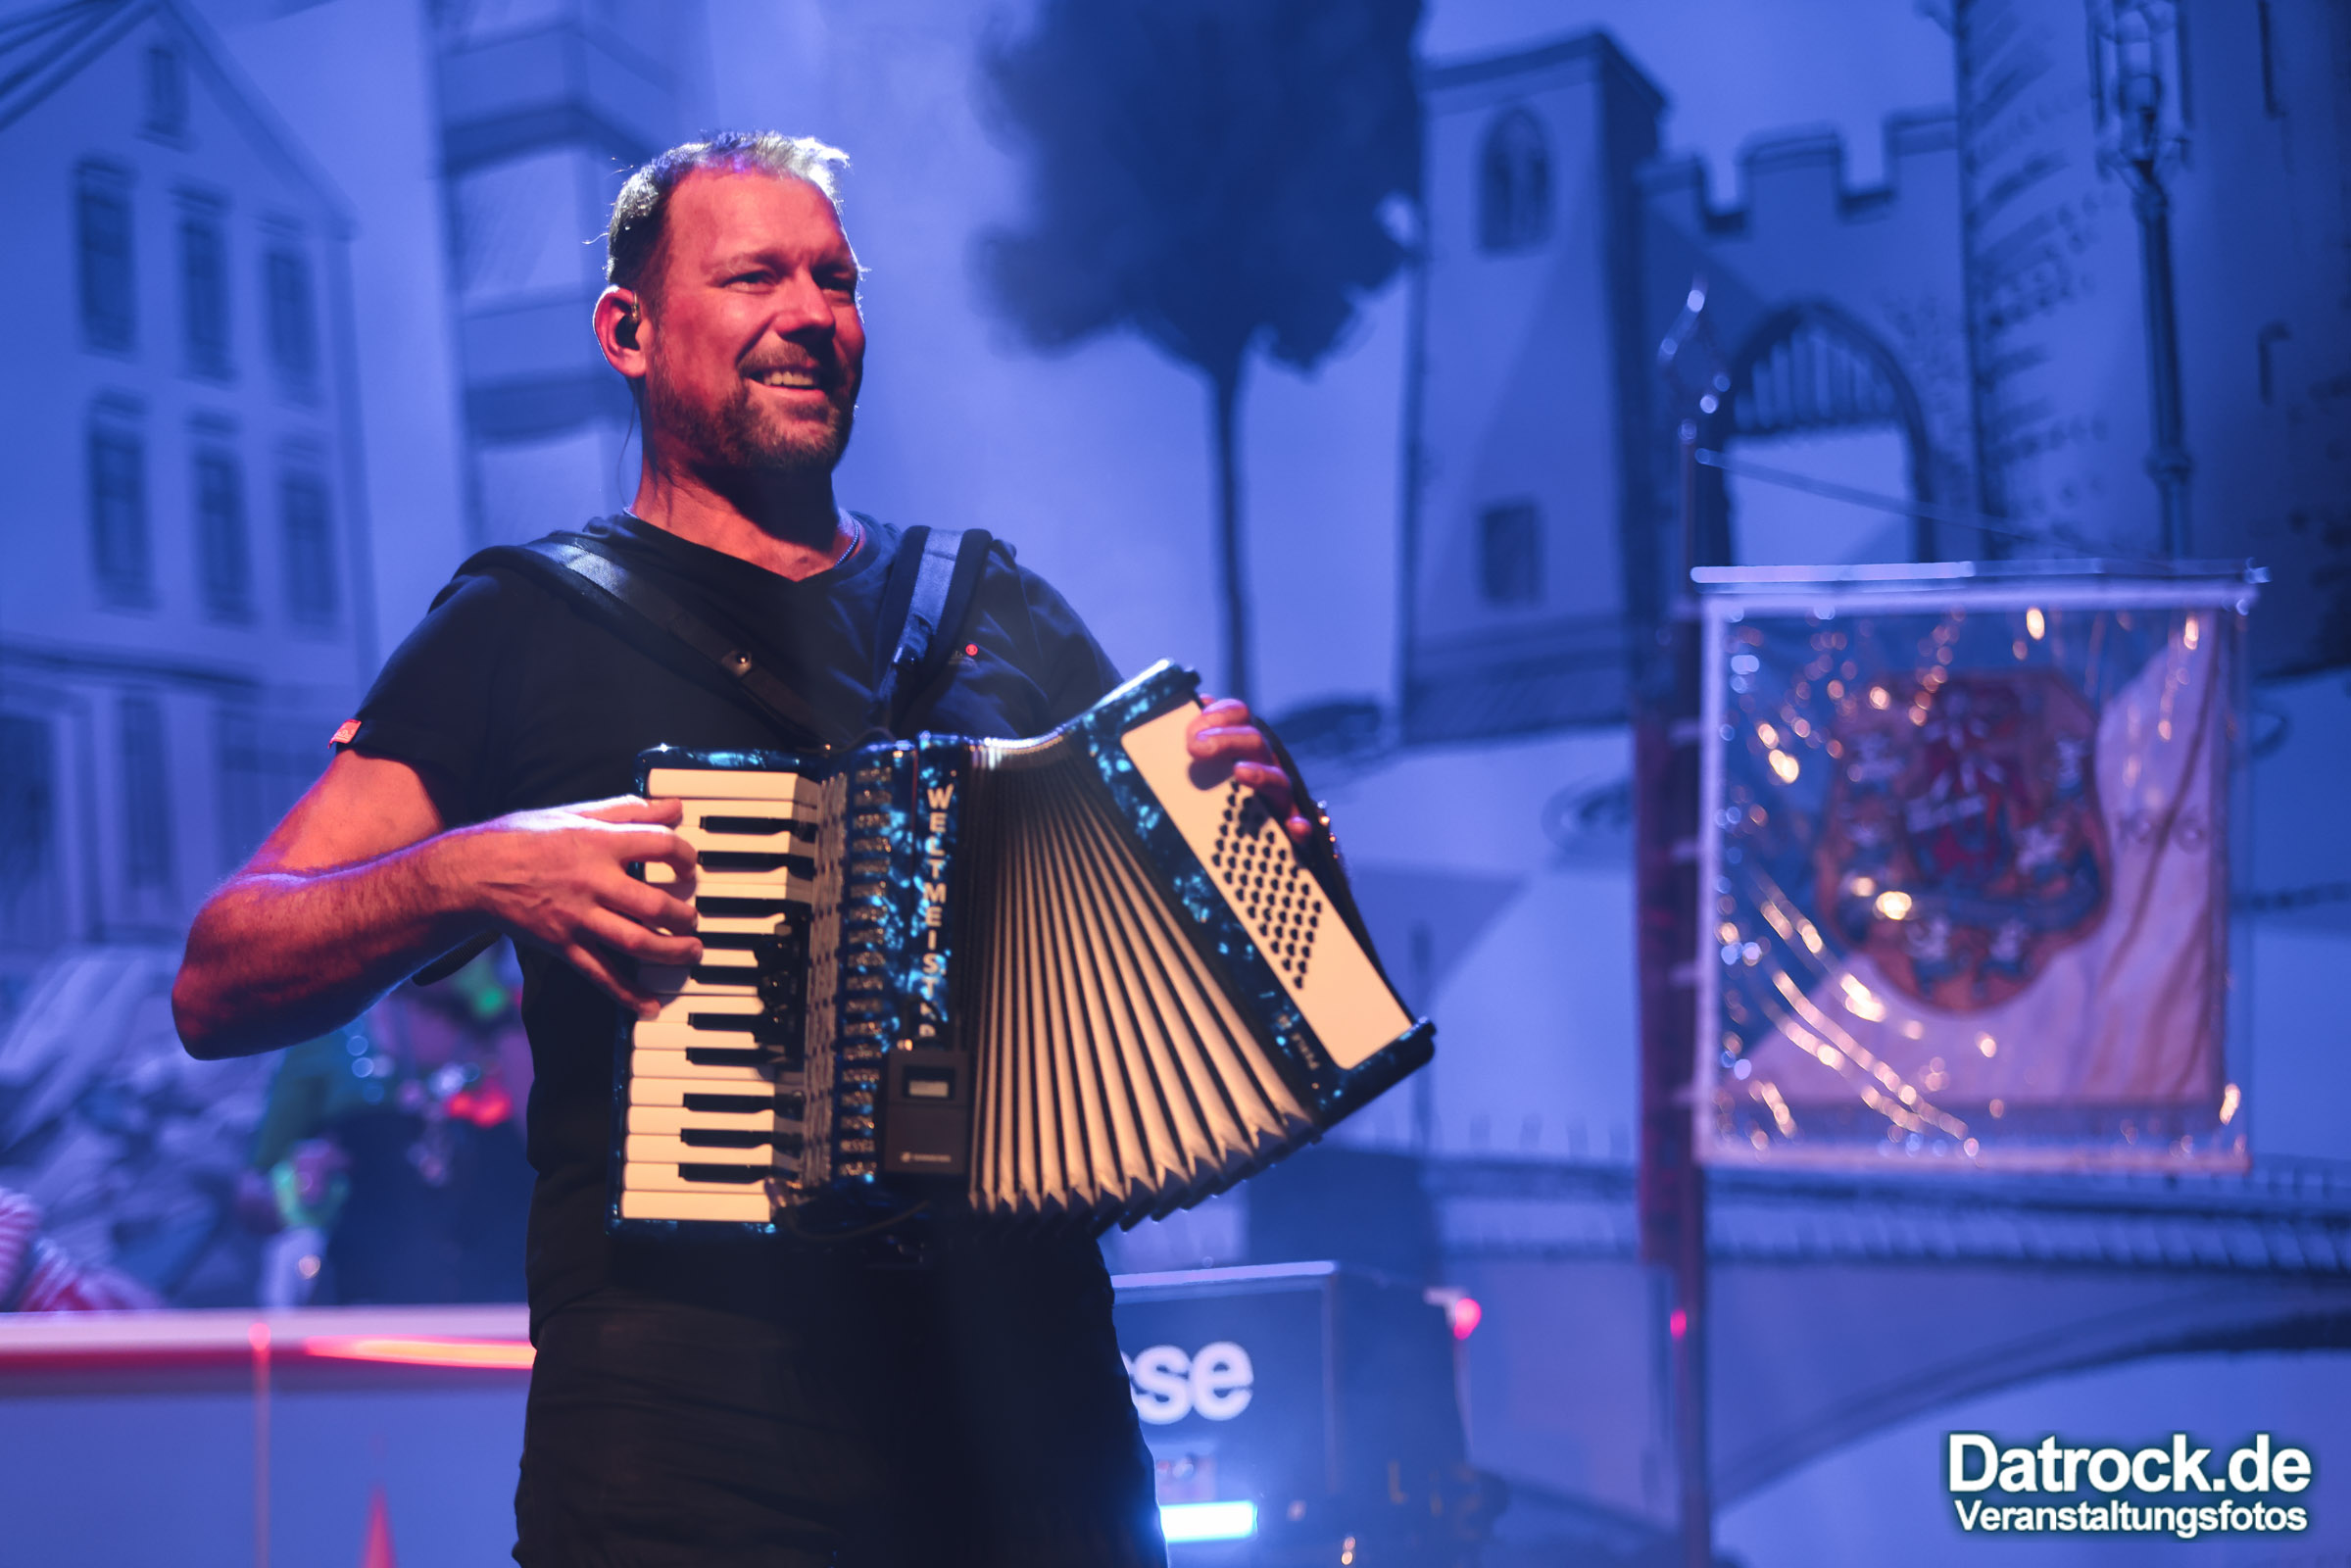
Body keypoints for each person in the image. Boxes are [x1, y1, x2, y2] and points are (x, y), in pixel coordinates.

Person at [172, 132, 1309, 1567]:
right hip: (691, 1456)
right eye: (756, 276)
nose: (812, 314)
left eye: (836, 280)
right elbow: (222, 973)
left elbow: (1203, 983)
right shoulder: (525, 624)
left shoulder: (985, 608)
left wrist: (1259, 842)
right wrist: (477, 867)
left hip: (1036, 1444)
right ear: (628, 333)